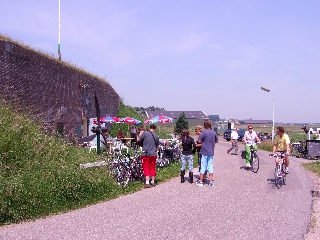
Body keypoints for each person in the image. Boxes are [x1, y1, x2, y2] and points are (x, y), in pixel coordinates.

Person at [196, 119, 219, 187]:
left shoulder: (203, 132)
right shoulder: (213, 132)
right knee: (210, 167)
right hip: (211, 152)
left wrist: (203, 142)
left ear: (205, 125)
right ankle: (211, 182)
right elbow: (216, 141)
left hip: (204, 151)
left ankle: (201, 181)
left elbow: (199, 141)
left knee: (203, 166)